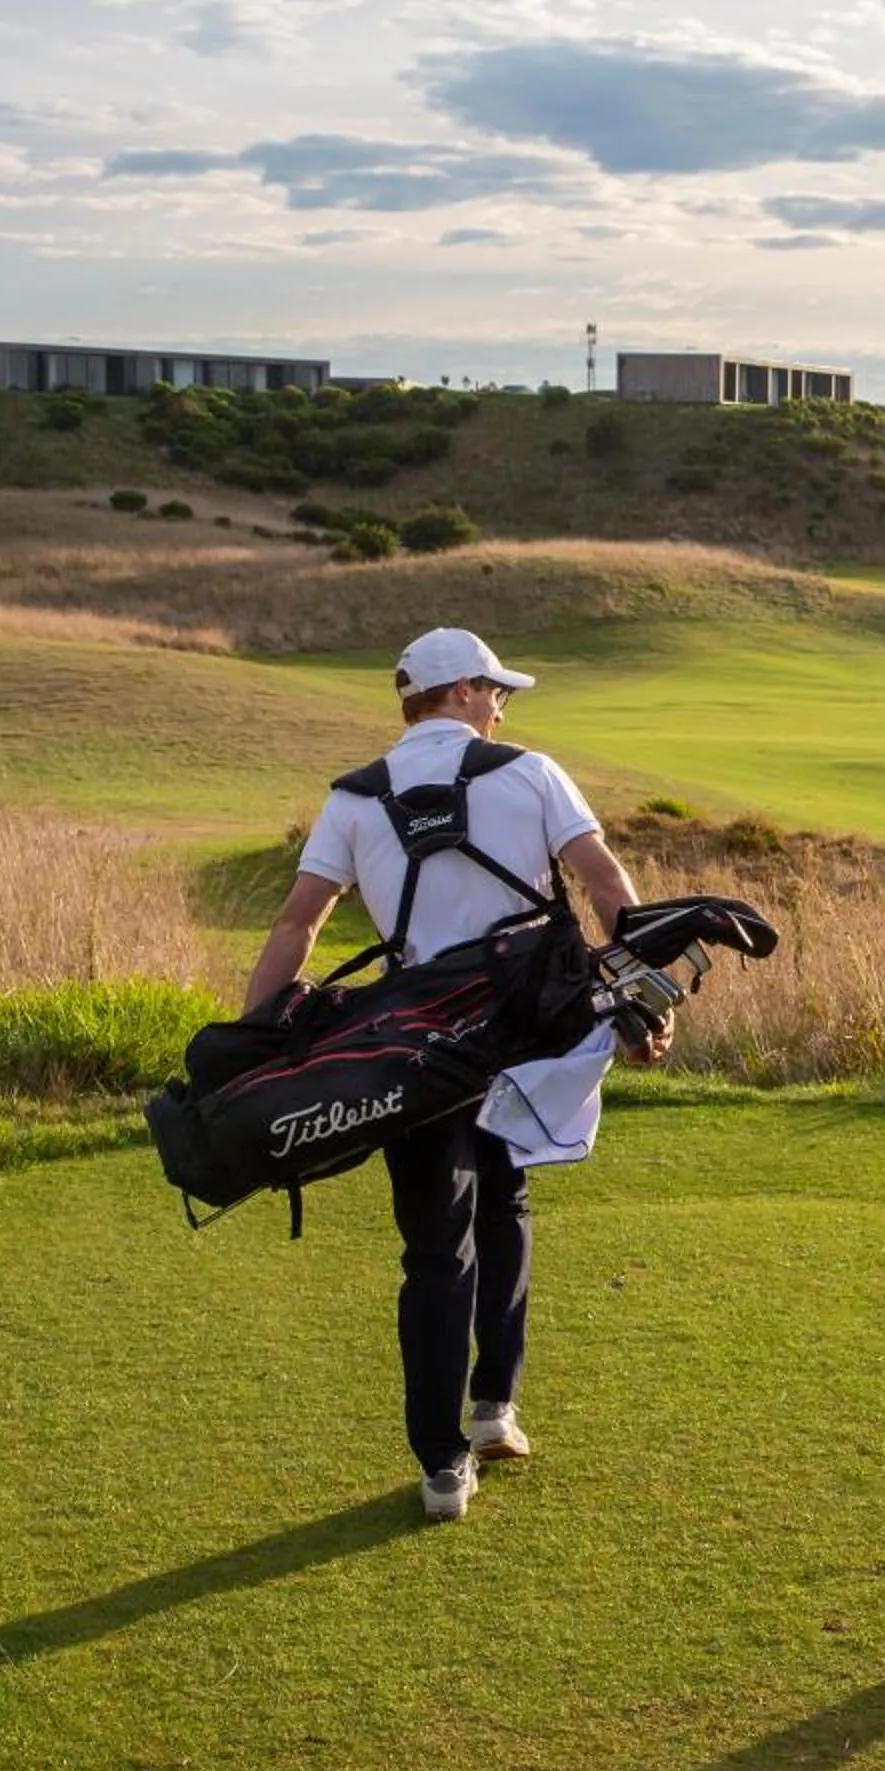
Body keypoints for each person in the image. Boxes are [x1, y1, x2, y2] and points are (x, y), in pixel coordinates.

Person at [245, 627, 662, 1523]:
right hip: (525, 1027)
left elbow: (297, 927)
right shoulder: (531, 772)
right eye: (496, 690)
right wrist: (643, 998)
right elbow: (606, 884)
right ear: (464, 691)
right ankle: (492, 1411)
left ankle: (443, 1468)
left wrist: (250, 1038)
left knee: (436, 1248)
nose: (504, 705)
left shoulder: (353, 797)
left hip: (415, 1042)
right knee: (505, 1201)